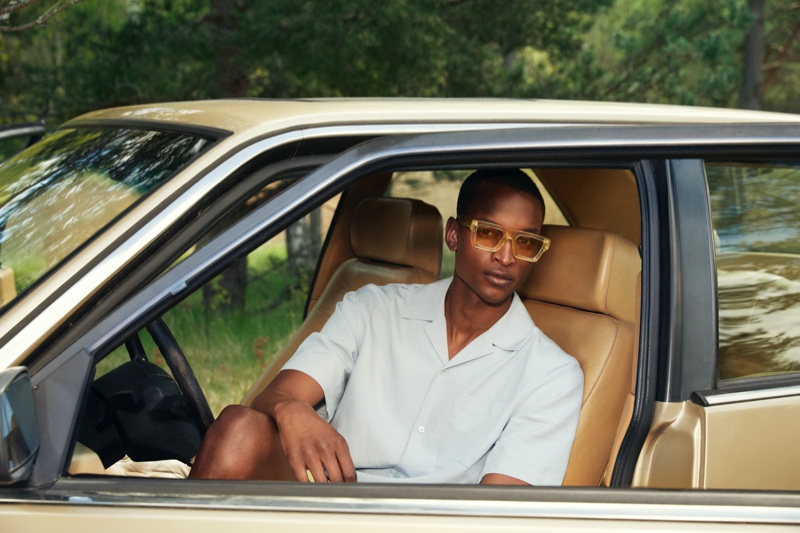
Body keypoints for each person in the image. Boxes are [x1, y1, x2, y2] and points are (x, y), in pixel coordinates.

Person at [189, 169, 583, 485]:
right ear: (453, 234)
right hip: (331, 497)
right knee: (237, 427)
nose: (506, 256)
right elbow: (277, 394)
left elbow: (500, 512)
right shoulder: (372, 309)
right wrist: (291, 409)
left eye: (526, 242)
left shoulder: (551, 374)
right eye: (489, 233)